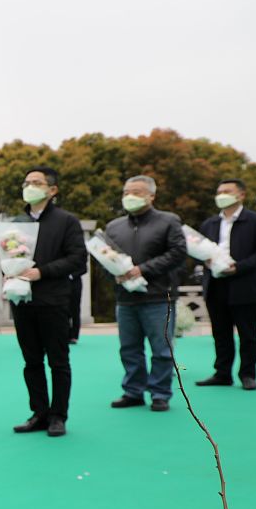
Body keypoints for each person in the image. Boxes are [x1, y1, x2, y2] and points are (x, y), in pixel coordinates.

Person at [10, 167, 86, 437]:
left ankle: (58, 415)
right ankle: (39, 413)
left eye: (37, 182)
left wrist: (43, 271)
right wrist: (9, 275)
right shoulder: (15, 223)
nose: (29, 186)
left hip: (53, 300)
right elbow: (5, 257)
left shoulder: (67, 221)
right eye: (26, 181)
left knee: (58, 361)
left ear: (52, 190)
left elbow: (78, 259)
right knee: (31, 361)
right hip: (22, 301)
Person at [104, 176, 187, 411]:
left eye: (137, 192)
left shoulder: (169, 221)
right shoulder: (114, 226)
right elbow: (105, 257)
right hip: (126, 298)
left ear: (151, 195)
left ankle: (160, 393)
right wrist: (116, 274)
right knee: (129, 348)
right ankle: (133, 391)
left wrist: (143, 269)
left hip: (159, 297)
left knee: (162, 349)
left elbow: (178, 253)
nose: (130, 196)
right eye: (126, 192)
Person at [196, 178, 256, 390]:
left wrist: (239, 267)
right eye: (219, 191)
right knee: (220, 332)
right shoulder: (209, 224)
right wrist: (205, 260)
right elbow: (199, 249)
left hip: (245, 284)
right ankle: (222, 372)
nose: (221, 195)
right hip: (216, 284)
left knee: (247, 333)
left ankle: (247, 374)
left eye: (227, 191)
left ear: (241, 195)